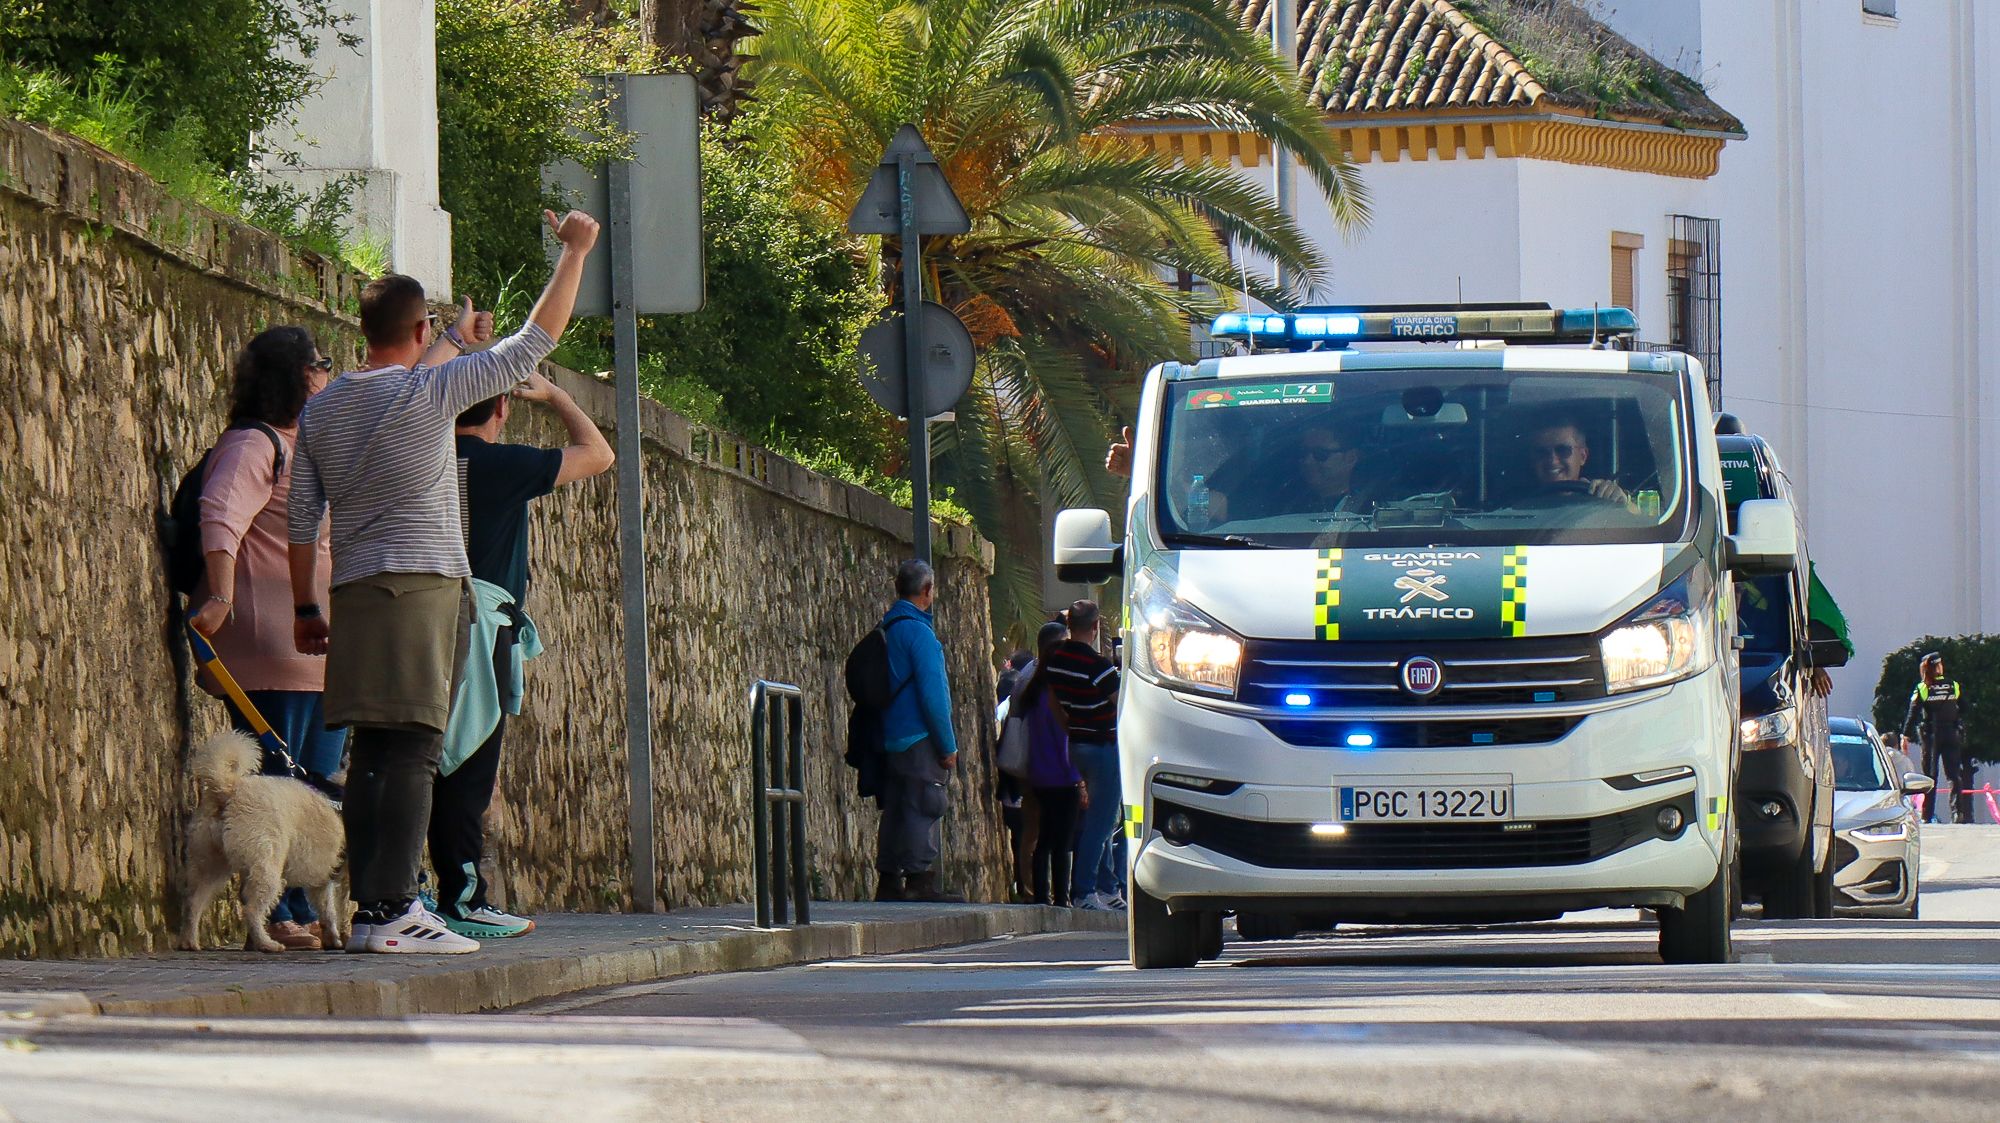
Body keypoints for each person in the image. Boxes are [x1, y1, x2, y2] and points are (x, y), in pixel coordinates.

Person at [288, 208, 599, 954]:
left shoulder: (324, 407)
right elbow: (536, 340)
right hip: (421, 587)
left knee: (370, 751)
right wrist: (576, 251)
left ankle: (373, 907)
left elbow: (303, 516)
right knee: (415, 750)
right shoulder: (429, 397)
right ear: (421, 330)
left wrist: (306, 604)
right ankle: (392, 909)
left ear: (364, 330)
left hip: (355, 589)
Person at [427, 369, 614, 939]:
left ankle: (405, 893)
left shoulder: (422, 457)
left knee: (421, 755)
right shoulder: (500, 465)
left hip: (417, 614)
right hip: (481, 626)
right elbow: (597, 454)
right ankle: (462, 897)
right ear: (502, 408)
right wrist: (557, 395)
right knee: (470, 761)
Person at [187, 326, 344, 951]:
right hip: (268, 643)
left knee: (312, 792)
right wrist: (220, 597)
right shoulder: (253, 445)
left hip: (317, 651)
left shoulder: (301, 446)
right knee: (279, 789)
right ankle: (280, 913)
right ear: (298, 375)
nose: (328, 374)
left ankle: (301, 907)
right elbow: (220, 515)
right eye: (321, 364)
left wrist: (447, 342)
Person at [874, 559, 962, 902]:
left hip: (889, 735)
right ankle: (919, 879)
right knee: (924, 804)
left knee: (896, 806)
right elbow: (934, 696)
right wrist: (947, 745)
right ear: (927, 591)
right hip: (918, 736)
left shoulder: (887, 628)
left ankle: (889, 878)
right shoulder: (920, 634)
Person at [1047, 600, 1124, 911]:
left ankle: (1107, 888)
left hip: (1075, 743)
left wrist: (1069, 724)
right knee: (1103, 823)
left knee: (1097, 820)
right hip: (1103, 747)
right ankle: (1085, 891)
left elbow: (1054, 702)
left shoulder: (1056, 661)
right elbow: (1122, 705)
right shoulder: (1099, 666)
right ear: (1095, 628)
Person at [1017, 621, 1086, 906]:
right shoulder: (1060, 695)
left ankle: (1042, 894)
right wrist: (1082, 779)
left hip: (1039, 775)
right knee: (1063, 840)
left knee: (1044, 836)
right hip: (1064, 775)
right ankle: (1062, 896)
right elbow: (1067, 740)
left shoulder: (1033, 692)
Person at [1904, 653, 1970, 824]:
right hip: (1951, 733)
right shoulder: (1953, 685)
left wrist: (1905, 735)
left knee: (1930, 776)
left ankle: (1926, 815)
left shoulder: (1923, 688)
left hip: (1932, 736)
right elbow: (1965, 707)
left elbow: (1913, 713)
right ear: (1939, 667)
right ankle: (1957, 813)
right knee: (1954, 775)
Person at [1520, 417, 1632, 507]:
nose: (1552, 460)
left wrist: (1624, 504)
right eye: (1541, 452)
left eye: (1563, 450)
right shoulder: (1515, 507)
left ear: (1583, 456)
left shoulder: (1602, 500)